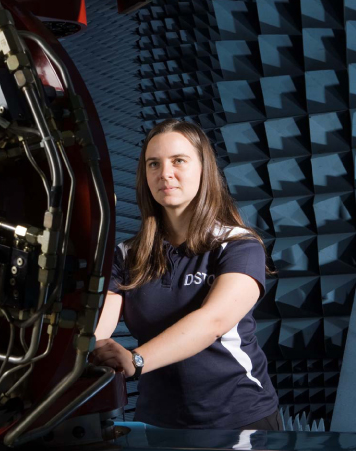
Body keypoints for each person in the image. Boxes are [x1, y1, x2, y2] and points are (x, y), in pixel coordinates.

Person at [92, 119, 281, 430]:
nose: (165, 173)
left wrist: (136, 361)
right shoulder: (127, 254)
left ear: (203, 169)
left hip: (240, 419)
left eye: (178, 160)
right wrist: (95, 348)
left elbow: (213, 321)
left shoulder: (238, 246)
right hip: (159, 422)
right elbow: (99, 325)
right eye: (154, 164)